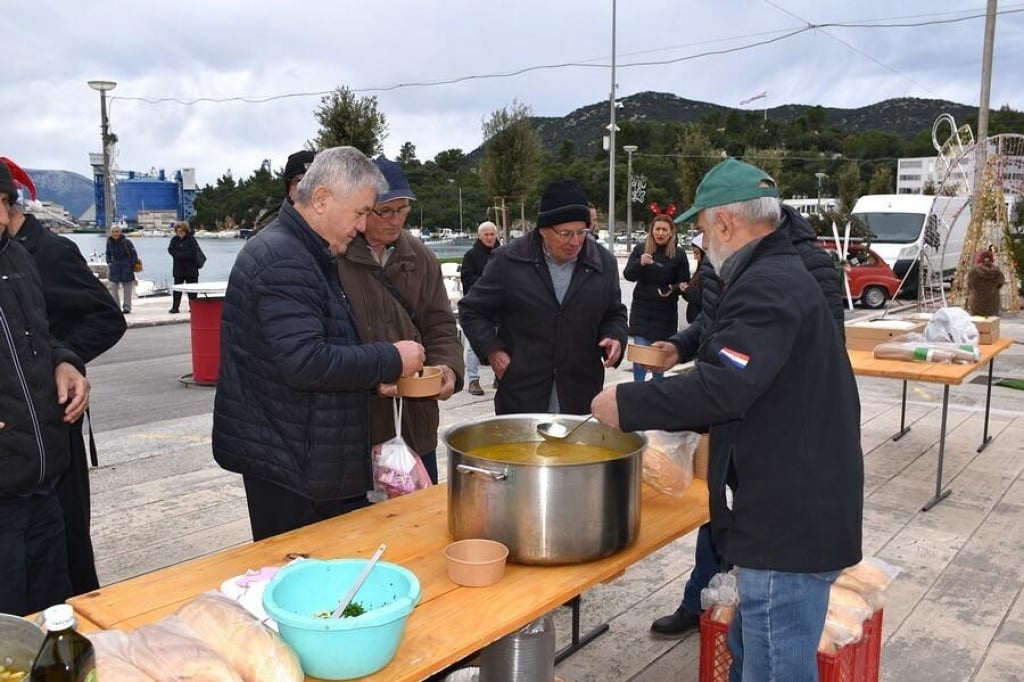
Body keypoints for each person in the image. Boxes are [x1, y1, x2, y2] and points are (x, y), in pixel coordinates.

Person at [592, 158, 863, 681]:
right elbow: (731, 361)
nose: (700, 239)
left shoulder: (770, 282)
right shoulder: (772, 273)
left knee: (774, 667)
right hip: (789, 508)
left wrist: (625, 405)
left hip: (790, 524)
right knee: (750, 654)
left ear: (724, 223)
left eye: (701, 226)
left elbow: (724, 386)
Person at [212, 146, 426, 542]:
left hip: (301, 450)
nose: (363, 226)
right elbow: (306, 361)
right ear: (323, 199)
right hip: (291, 464)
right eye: (360, 212)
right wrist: (391, 358)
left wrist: (371, 378)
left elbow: (316, 344)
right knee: (302, 576)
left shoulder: (306, 250)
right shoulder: (284, 258)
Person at [2, 158, 125, 596]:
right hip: (16, 455)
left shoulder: (44, 253)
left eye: (4, 203)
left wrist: (64, 358)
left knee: (68, 555)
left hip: (53, 427)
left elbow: (105, 319)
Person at [337, 158, 464, 484]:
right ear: (363, 208)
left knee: (418, 525)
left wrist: (448, 369)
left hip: (413, 425)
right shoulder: (334, 255)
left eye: (403, 210)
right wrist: (373, 373)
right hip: (352, 429)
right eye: (386, 211)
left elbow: (441, 325)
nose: (396, 221)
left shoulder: (420, 256)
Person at [1, 160, 91, 615]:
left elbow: (40, 335)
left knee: (53, 618)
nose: (1, 218)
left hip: (43, 483)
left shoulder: (16, 256)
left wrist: (65, 361)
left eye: (2, 203)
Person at [459, 179, 628, 415]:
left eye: (582, 231)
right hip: (522, 396)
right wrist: (492, 350)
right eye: (566, 233)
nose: (576, 241)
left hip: (580, 396)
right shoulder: (508, 260)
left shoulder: (603, 262)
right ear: (543, 230)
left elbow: (614, 312)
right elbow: (471, 310)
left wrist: (615, 336)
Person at [623, 214, 691, 382]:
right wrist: (640, 263)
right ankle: (639, 391)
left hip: (665, 314)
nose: (660, 233)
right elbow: (628, 275)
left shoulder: (679, 254)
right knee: (641, 356)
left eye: (664, 230)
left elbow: (684, 283)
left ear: (671, 232)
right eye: (657, 229)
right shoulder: (641, 249)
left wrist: (672, 289)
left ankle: (656, 394)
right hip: (642, 311)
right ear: (651, 231)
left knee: (658, 359)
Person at [460, 221, 500, 396]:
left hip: (501, 306)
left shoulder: (504, 253)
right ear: (479, 236)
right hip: (478, 306)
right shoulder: (471, 255)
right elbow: (467, 279)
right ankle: (474, 380)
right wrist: (489, 285)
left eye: (492, 234)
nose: (490, 237)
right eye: (486, 234)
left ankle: (499, 377)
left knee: (502, 342)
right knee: (473, 345)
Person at [167, 220, 202, 313]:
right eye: (178, 231)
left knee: (192, 290)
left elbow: (193, 252)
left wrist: (180, 255)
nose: (180, 233)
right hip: (178, 269)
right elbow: (171, 250)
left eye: (182, 231)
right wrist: (179, 255)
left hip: (191, 269)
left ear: (186, 231)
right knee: (177, 290)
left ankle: (193, 307)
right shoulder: (174, 240)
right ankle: (175, 307)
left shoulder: (191, 240)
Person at [105, 222, 138, 314]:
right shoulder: (109, 242)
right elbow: (108, 254)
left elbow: (134, 255)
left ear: (120, 232)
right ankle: (116, 307)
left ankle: (127, 307)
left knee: (127, 290)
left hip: (126, 268)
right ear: (111, 233)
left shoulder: (127, 242)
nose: (115, 233)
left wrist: (130, 264)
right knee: (113, 288)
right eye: (114, 232)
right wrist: (109, 262)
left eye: (117, 231)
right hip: (115, 268)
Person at [966, 250, 1005, 316]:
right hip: (992, 305)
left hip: (976, 305)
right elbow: (1000, 283)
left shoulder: (973, 272)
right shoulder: (997, 272)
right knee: (992, 324)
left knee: (976, 324)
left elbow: (969, 284)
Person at [680, 232, 706, 325]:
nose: (695, 257)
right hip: (696, 322)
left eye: (697, 253)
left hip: (702, 323)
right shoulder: (700, 269)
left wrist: (687, 290)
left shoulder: (709, 271)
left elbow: (703, 298)